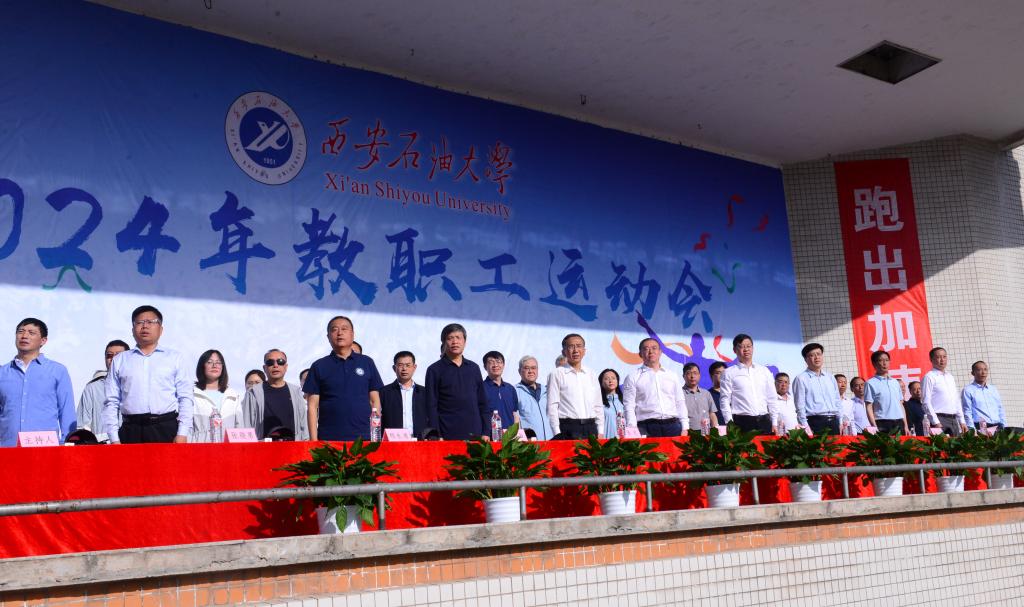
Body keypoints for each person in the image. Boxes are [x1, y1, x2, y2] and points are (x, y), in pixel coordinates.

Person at [104, 306, 193, 444]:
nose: (145, 326)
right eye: (139, 322)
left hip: (166, 428)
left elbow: (185, 397)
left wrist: (182, 432)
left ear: (161, 329)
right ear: (132, 330)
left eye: (151, 322)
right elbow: (111, 401)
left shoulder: (175, 358)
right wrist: (114, 438)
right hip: (130, 430)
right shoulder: (120, 360)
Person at [303, 316, 384, 441]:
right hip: (329, 439)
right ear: (328, 337)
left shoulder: (367, 362)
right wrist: (313, 441)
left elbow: (375, 402)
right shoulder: (319, 366)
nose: (339, 333)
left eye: (344, 329)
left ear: (352, 334)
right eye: (334, 329)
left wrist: (375, 437)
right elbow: (312, 406)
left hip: (364, 438)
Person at [0, 318, 75, 446]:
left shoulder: (57, 371)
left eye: (31, 332)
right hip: (7, 448)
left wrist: (67, 444)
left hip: (45, 448)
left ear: (43, 341)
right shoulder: (3, 372)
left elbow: (67, 411)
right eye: (21, 331)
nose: (24, 336)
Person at [425, 323, 489, 440]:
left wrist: (486, 431)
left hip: (475, 433)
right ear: (444, 342)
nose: (455, 342)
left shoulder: (473, 368)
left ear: (465, 341)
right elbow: (431, 405)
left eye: (458, 338)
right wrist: (436, 435)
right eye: (450, 338)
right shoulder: (434, 370)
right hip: (447, 434)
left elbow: (482, 402)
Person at [622, 338, 685, 437]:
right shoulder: (633, 377)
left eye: (654, 348)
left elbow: (680, 401)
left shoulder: (672, 375)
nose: (650, 351)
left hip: (673, 425)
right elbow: (629, 405)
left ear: (660, 352)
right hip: (646, 427)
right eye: (646, 349)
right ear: (640, 354)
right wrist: (632, 428)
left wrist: (685, 426)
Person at [242, 349, 309, 440]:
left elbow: (304, 424)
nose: (275, 365)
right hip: (263, 447)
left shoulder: (296, 392)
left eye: (280, 362)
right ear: (264, 368)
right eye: (270, 362)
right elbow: (246, 426)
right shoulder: (253, 393)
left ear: (286, 367)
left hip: (293, 446)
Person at [547, 334, 603, 439]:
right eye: (571, 346)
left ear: (584, 351)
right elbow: (552, 406)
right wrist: (556, 432)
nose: (575, 350)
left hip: (591, 427)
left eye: (579, 346)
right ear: (564, 352)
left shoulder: (591, 374)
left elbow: (598, 405)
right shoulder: (556, 374)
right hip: (568, 428)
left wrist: (600, 430)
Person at [719, 334, 777, 434]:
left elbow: (772, 398)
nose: (746, 349)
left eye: (748, 346)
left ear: (753, 348)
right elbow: (724, 400)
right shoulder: (729, 373)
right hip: (742, 422)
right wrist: (729, 423)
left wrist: (774, 421)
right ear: (734, 350)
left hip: (764, 421)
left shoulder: (764, 371)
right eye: (741, 347)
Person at [76, 339, 130, 439]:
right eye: (109, 356)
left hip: (131, 443)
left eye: (118, 356)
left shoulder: (136, 386)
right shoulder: (92, 389)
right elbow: (82, 426)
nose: (113, 359)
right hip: (103, 445)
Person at [191, 349, 243, 442]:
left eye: (218, 362)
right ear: (202, 366)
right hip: (200, 448)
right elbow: (186, 428)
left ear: (223, 367)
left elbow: (240, 427)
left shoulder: (233, 395)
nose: (214, 365)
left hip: (228, 449)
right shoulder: (192, 394)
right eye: (209, 362)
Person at [791, 343, 842, 435]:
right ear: (805, 359)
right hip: (815, 422)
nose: (816, 357)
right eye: (812, 355)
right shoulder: (801, 379)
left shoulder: (830, 377)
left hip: (834, 422)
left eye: (819, 354)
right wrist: (805, 427)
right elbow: (800, 406)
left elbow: (837, 400)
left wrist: (840, 421)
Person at [921, 347, 967, 436]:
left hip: (953, 419)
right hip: (939, 418)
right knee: (941, 445)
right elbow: (926, 402)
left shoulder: (950, 377)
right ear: (931, 359)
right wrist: (935, 422)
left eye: (944, 357)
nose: (942, 360)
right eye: (938, 357)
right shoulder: (929, 377)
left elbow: (956, 400)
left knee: (956, 445)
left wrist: (962, 420)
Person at [380, 351, 427, 438]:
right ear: (394, 368)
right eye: (400, 365)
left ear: (414, 367)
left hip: (420, 440)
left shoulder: (424, 392)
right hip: (393, 440)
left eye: (408, 365)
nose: (404, 369)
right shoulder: (384, 392)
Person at [864, 350, 909, 435]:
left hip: (899, 422)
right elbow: (868, 406)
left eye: (887, 360)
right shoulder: (870, 383)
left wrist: (905, 425)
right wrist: (874, 426)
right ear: (874, 364)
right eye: (881, 360)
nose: (884, 363)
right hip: (882, 422)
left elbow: (900, 404)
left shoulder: (895, 382)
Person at [516, 356, 554, 441]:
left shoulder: (546, 391)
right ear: (519, 371)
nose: (530, 371)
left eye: (533, 368)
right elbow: (515, 420)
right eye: (526, 368)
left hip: (550, 442)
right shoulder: (515, 391)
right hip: (530, 444)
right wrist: (521, 441)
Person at [961, 361, 1006, 431]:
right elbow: (967, 411)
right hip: (981, 428)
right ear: (973, 373)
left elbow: (1000, 408)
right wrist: (972, 430)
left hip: (998, 427)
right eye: (979, 370)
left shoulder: (993, 389)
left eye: (985, 369)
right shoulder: (968, 390)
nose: (983, 372)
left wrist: (1004, 425)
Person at [483, 351, 520, 430]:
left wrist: (517, 432)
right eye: (491, 362)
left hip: (510, 435)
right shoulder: (480, 388)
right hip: (490, 435)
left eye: (498, 362)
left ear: (503, 365)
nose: (495, 365)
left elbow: (515, 414)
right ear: (485, 367)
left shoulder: (510, 389)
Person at [681, 363, 716, 431]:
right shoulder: (679, 394)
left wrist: (715, 430)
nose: (692, 376)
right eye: (688, 373)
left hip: (706, 432)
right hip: (688, 433)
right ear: (683, 376)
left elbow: (712, 414)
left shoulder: (706, 393)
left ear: (699, 375)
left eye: (695, 373)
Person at [599, 368, 624, 438]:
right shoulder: (599, 403)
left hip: (624, 442)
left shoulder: (624, 402)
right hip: (607, 441)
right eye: (606, 379)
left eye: (613, 378)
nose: (610, 381)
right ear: (601, 383)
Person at [708, 361, 727, 426]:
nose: (722, 375)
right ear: (711, 376)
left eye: (724, 373)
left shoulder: (732, 393)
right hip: (716, 430)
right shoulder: (707, 395)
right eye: (718, 373)